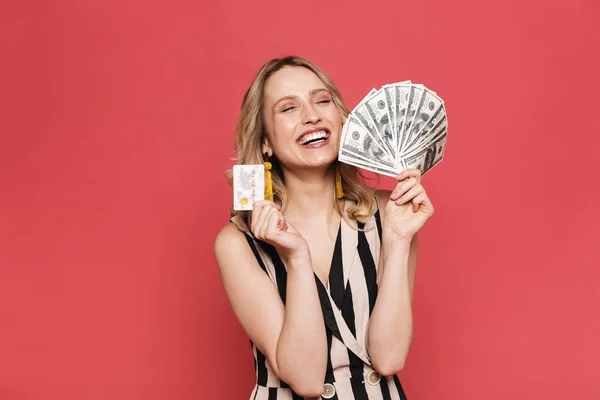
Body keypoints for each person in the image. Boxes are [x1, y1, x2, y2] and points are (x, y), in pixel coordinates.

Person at [214, 55, 435, 400]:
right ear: (265, 142)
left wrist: (397, 239)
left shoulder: (389, 213)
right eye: (288, 108)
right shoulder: (238, 242)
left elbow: (389, 358)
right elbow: (305, 380)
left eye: (321, 100)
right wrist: (297, 258)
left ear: (342, 120)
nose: (312, 115)